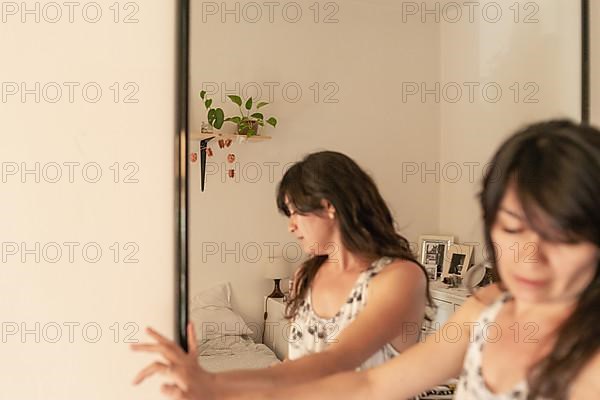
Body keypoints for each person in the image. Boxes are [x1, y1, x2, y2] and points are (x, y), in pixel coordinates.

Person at [131, 151, 433, 397]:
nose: (290, 226)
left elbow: (336, 362)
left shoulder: (399, 278)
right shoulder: (306, 277)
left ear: (328, 207)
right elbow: (293, 367)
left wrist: (215, 384)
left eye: (294, 213)